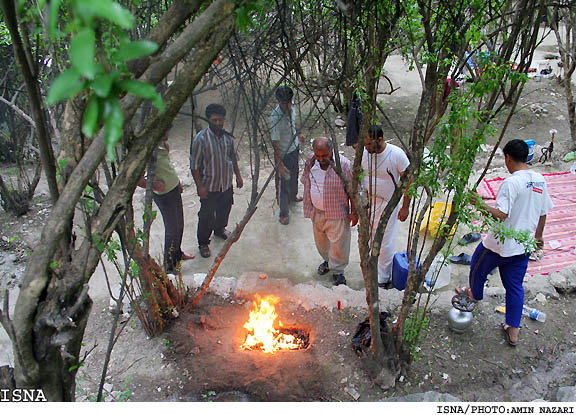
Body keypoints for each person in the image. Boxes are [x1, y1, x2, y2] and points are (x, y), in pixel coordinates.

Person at [457, 139, 553, 346]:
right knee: (515, 286)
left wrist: (479, 204)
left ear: (508, 158)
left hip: (500, 244)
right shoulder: (539, 180)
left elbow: (501, 215)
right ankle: (513, 329)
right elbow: (543, 212)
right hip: (523, 244)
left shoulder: (511, 182)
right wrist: (538, 236)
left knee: (477, 265)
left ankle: (474, 295)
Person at [301, 137, 358, 286]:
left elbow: (352, 190)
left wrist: (354, 211)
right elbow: (306, 183)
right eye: (318, 155)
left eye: (324, 155)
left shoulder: (343, 165)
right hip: (317, 212)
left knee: (339, 244)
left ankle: (338, 271)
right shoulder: (310, 162)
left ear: (332, 151)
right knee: (321, 242)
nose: (320, 159)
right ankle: (328, 261)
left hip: (337, 213)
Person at [190, 104, 243, 258]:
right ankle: (203, 242)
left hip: (226, 184)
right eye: (215, 120)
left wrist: (238, 176)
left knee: (224, 209)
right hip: (209, 186)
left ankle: (220, 230)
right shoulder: (200, 139)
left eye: (221, 120)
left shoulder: (228, 137)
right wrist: (200, 187)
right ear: (208, 120)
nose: (218, 123)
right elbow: (194, 167)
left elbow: (233, 158)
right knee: (206, 215)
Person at [137, 130, 194, 273]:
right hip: (164, 196)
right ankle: (169, 266)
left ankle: (178, 254)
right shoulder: (149, 151)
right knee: (172, 229)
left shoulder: (163, 145)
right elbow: (137, 179)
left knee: (180, 224)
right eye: (166, 128)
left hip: (174, 189)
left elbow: (168, 167)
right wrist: (155, 185)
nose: (168, 131)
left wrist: (177, 182)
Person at [361, 125, 411, 289]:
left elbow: (409, 182)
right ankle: (369, 270)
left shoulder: (396, 154)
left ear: (380, 140)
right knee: (367, 238)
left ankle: (382, 278)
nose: (366, 148)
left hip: (388, 204)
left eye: (369, 144)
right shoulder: (365, 153)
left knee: (385, 242)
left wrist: (405, 207)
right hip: (368, 203)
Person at [270, 86, 305, 225]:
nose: (286, 106)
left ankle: (293, 196)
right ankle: (283, 212)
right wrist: (280, 163)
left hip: (294, 148)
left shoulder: (293, 108)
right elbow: (275, 142)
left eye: (288, 102)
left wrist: (298, 133)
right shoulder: (275, 118)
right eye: (283, 103)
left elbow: (293, 124)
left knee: (295, 174)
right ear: (279, 102)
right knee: (284, 182)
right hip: (283, 153)